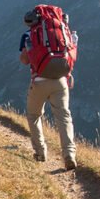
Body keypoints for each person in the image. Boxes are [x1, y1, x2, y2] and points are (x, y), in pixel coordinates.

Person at [20, 9, 77, 169]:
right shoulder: (63, 31)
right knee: (64, 117)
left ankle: (40, 152)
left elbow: (24, 60)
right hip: (61, 81)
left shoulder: (29, 34)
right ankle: (69, 154)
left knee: (34, 115)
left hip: (39, 81)